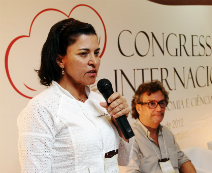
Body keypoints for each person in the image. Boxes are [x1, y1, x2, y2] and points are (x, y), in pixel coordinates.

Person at [17, 18, 133, 173]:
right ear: (60, 59)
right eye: (84, 54)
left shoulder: (100, 101)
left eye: (96, 53)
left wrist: (119, 124)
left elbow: (124, 160)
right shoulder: (41, 108)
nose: (94, 61)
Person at [126, 80, 196, 173]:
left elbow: (182, 160)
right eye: (151, 104)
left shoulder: (166, 132)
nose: (159, 109)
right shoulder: (130, 137)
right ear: (138, 108)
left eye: (161, 103)